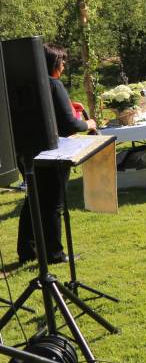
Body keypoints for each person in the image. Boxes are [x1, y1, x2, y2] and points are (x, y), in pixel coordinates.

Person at [17, 43, 98, 264]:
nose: (63, 66)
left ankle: (27, 251)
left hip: (26, 153)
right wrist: (88, 122)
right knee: (53, 205)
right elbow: (69, 125)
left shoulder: (25, 84)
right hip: (52, 154)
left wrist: (68, 104)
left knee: (33, 200)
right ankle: (54, 254)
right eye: (62, 62)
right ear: (54, 63)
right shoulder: (54, 85)